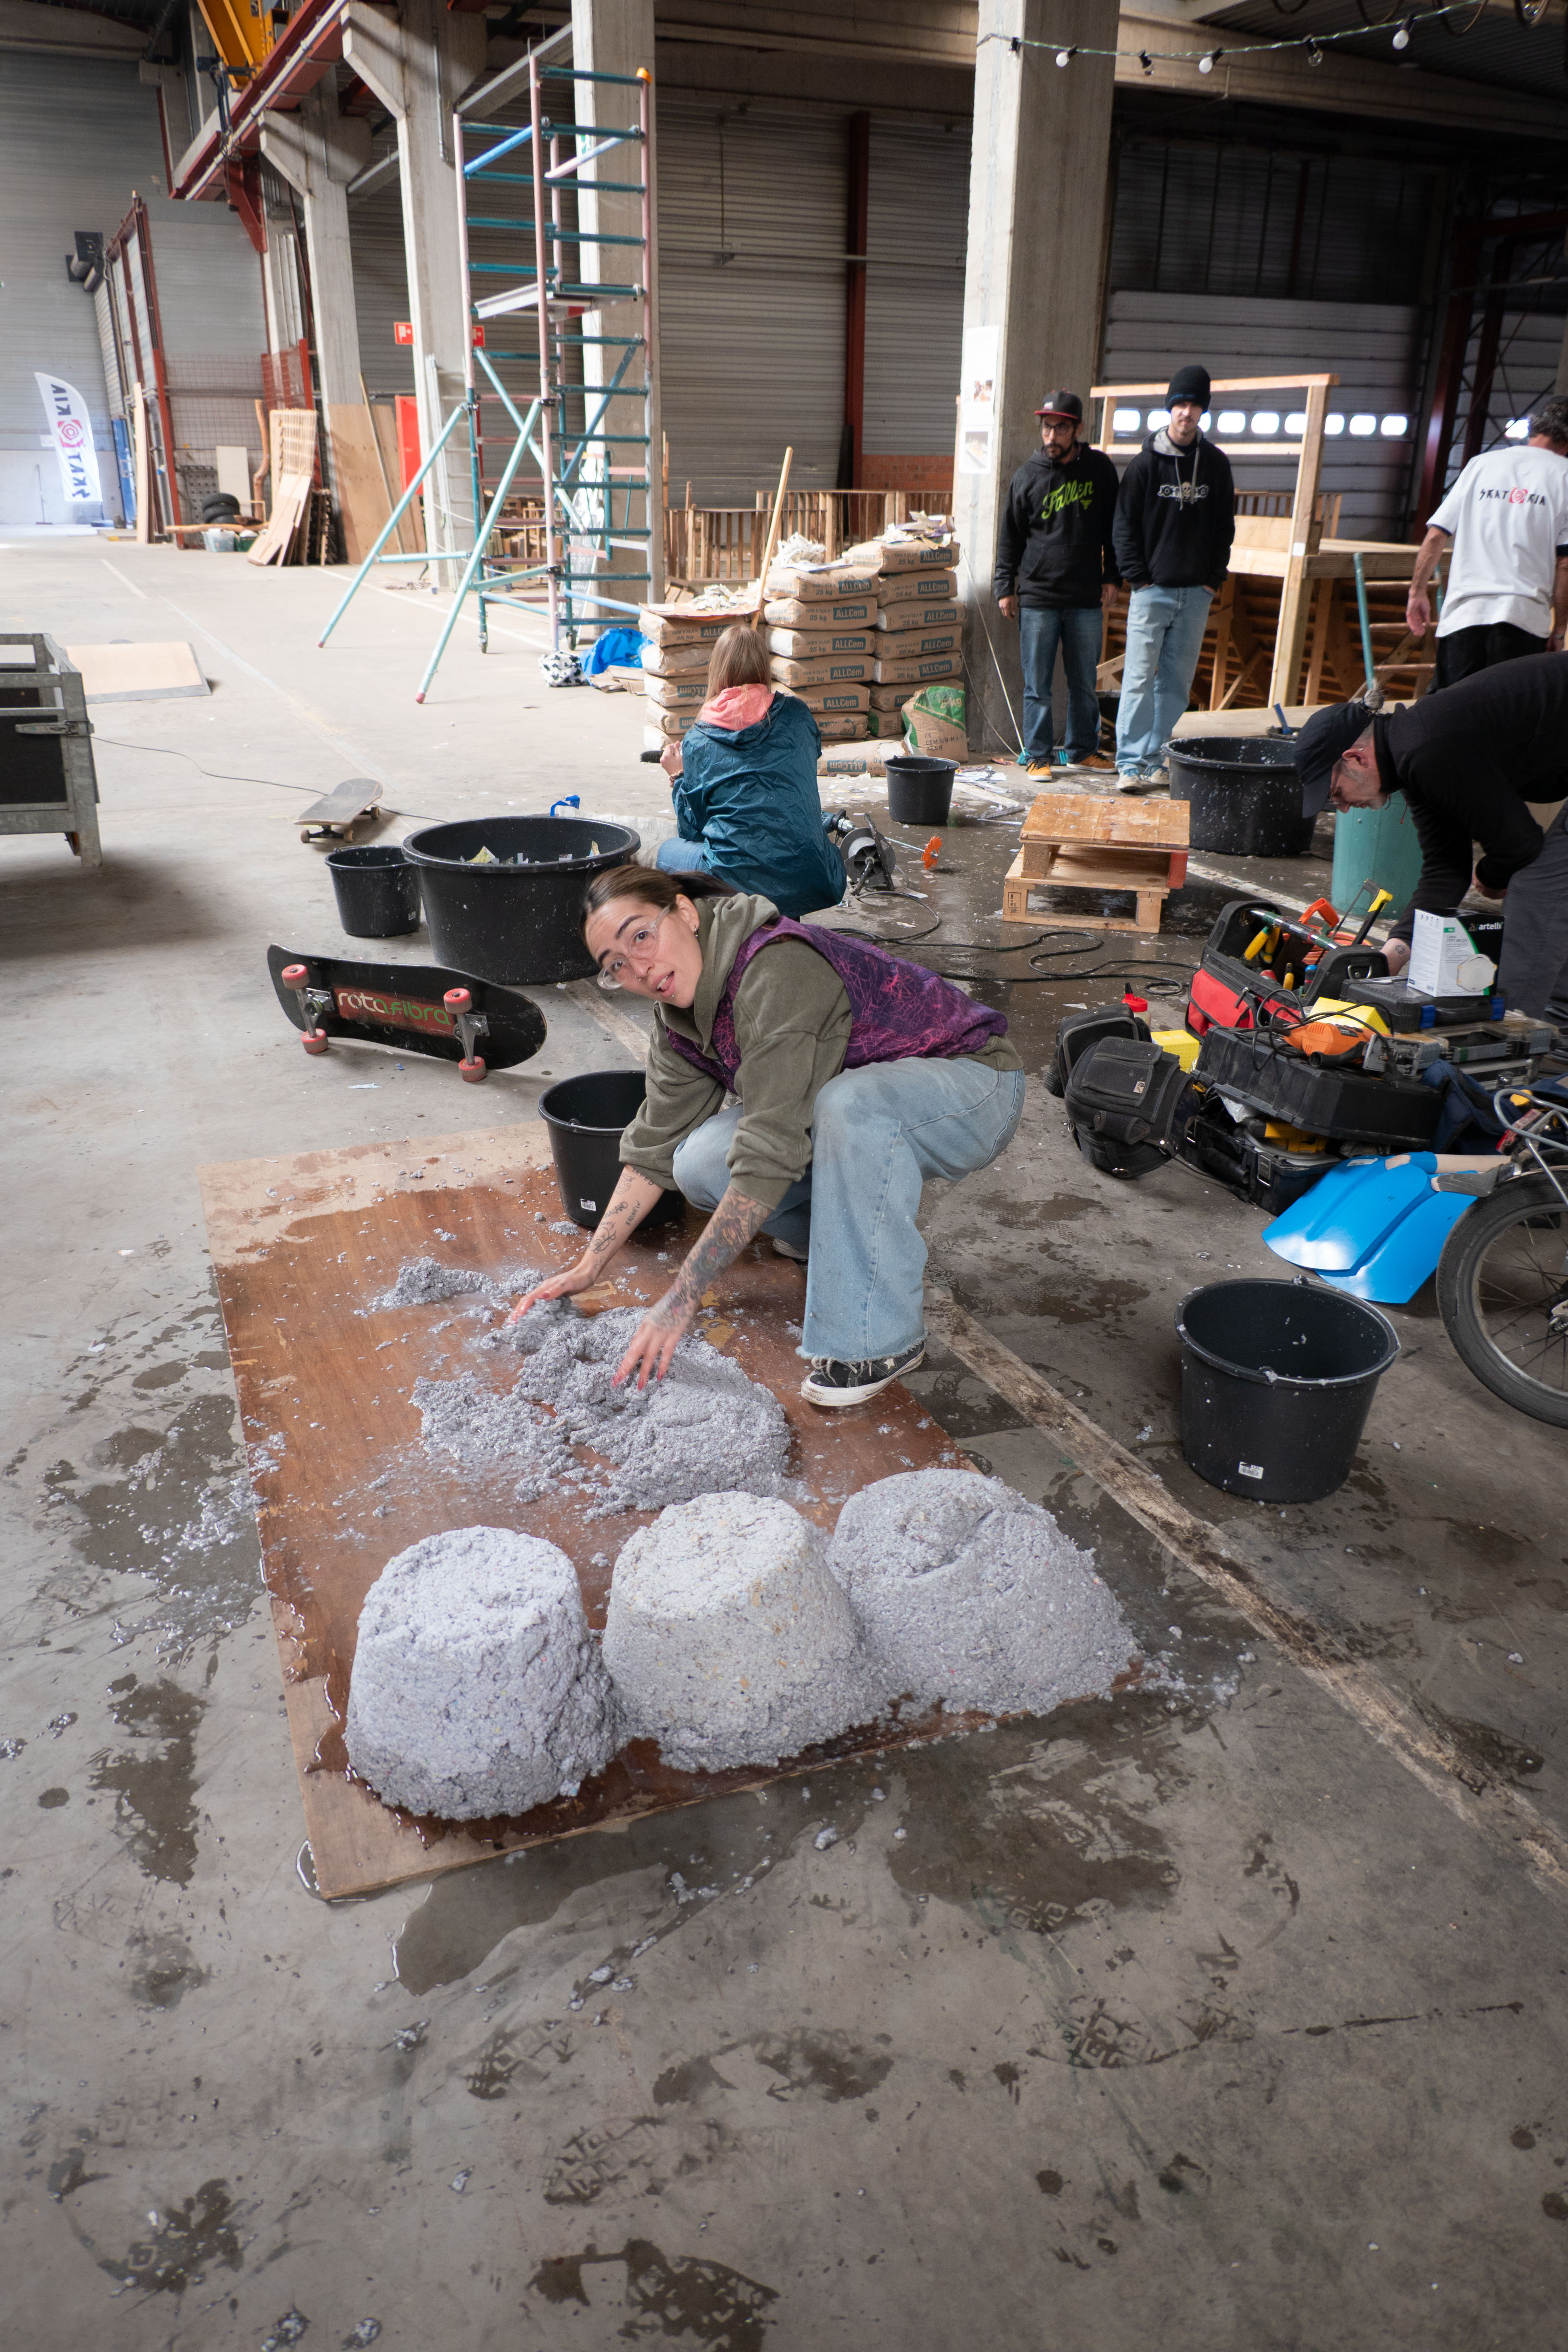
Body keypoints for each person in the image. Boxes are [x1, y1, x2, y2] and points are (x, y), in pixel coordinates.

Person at [509, 867, 1026, 1407]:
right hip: (854, 1100)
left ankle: (878, 1341)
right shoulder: (678, 1017)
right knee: (700, 1161)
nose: (638, 967)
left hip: (972, 1087)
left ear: (685, 913)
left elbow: (771, 1153)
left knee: (848, 1105)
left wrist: (682, 1298)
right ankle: (828, 1240)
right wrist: (590, 1265)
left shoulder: (776, 967)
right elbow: (656, 1142)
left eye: (641, 935)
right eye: (615, 965)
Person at [1294, 653, 1568, 980]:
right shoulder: (1411, 757)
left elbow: (1520, 844)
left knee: (1537, 890)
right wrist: (1391, 956)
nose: (1343, 808)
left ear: (1356, 759)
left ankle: (1521, 1022)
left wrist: (1492, 875)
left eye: (1336, 794)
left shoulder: (1425, 751)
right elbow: (1446, 868)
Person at [653, 624, 845, 919]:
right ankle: (784, 919)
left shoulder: (699, 738)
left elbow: (692, 830)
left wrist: (678, 775)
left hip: (734, 884)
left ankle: (723, 929)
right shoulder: (797, 715)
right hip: (813, 875)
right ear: (763, 667)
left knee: (667, 853)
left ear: (717, 670)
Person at [1111, 364, 1234, 795]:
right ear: (1169, 409)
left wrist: (1212, 579)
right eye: (1180, 404)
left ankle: (1155, 758)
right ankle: (1129, 763)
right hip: (1153, 592)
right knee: (1140, 678)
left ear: (1203, 411)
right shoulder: (1145, 466)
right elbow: (1124, 526)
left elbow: (1225, 527)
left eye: (1195, 405)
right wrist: (1139, 580)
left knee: (1177, 683)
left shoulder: (1216, 466)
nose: (1187, 412)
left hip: (1196, 593)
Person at [993, 388, 1121, 775]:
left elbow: (1115, 529)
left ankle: (1083, 750)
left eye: (1060, 430)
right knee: (1039, 686)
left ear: (1076, 430)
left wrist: (1113, 575)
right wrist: (1004, 587)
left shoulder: (1100, 471)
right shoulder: (1026, 476)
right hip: (1038, 597)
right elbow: (1009, 537)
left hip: (1084, 596)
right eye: (1047, 429)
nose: (1051, 438)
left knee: (1084, 681)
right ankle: (1038, 756)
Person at [1407, 396, 1568, 690]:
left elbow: (1435, 536)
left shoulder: (1480, 464)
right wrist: (1559, 630)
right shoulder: (1565, 477)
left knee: (1447, 717)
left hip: (1464, 616)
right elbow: (1565, 563)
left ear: (1534, 428)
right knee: (1509, 722)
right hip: (1524, 620)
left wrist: (1417, 591)